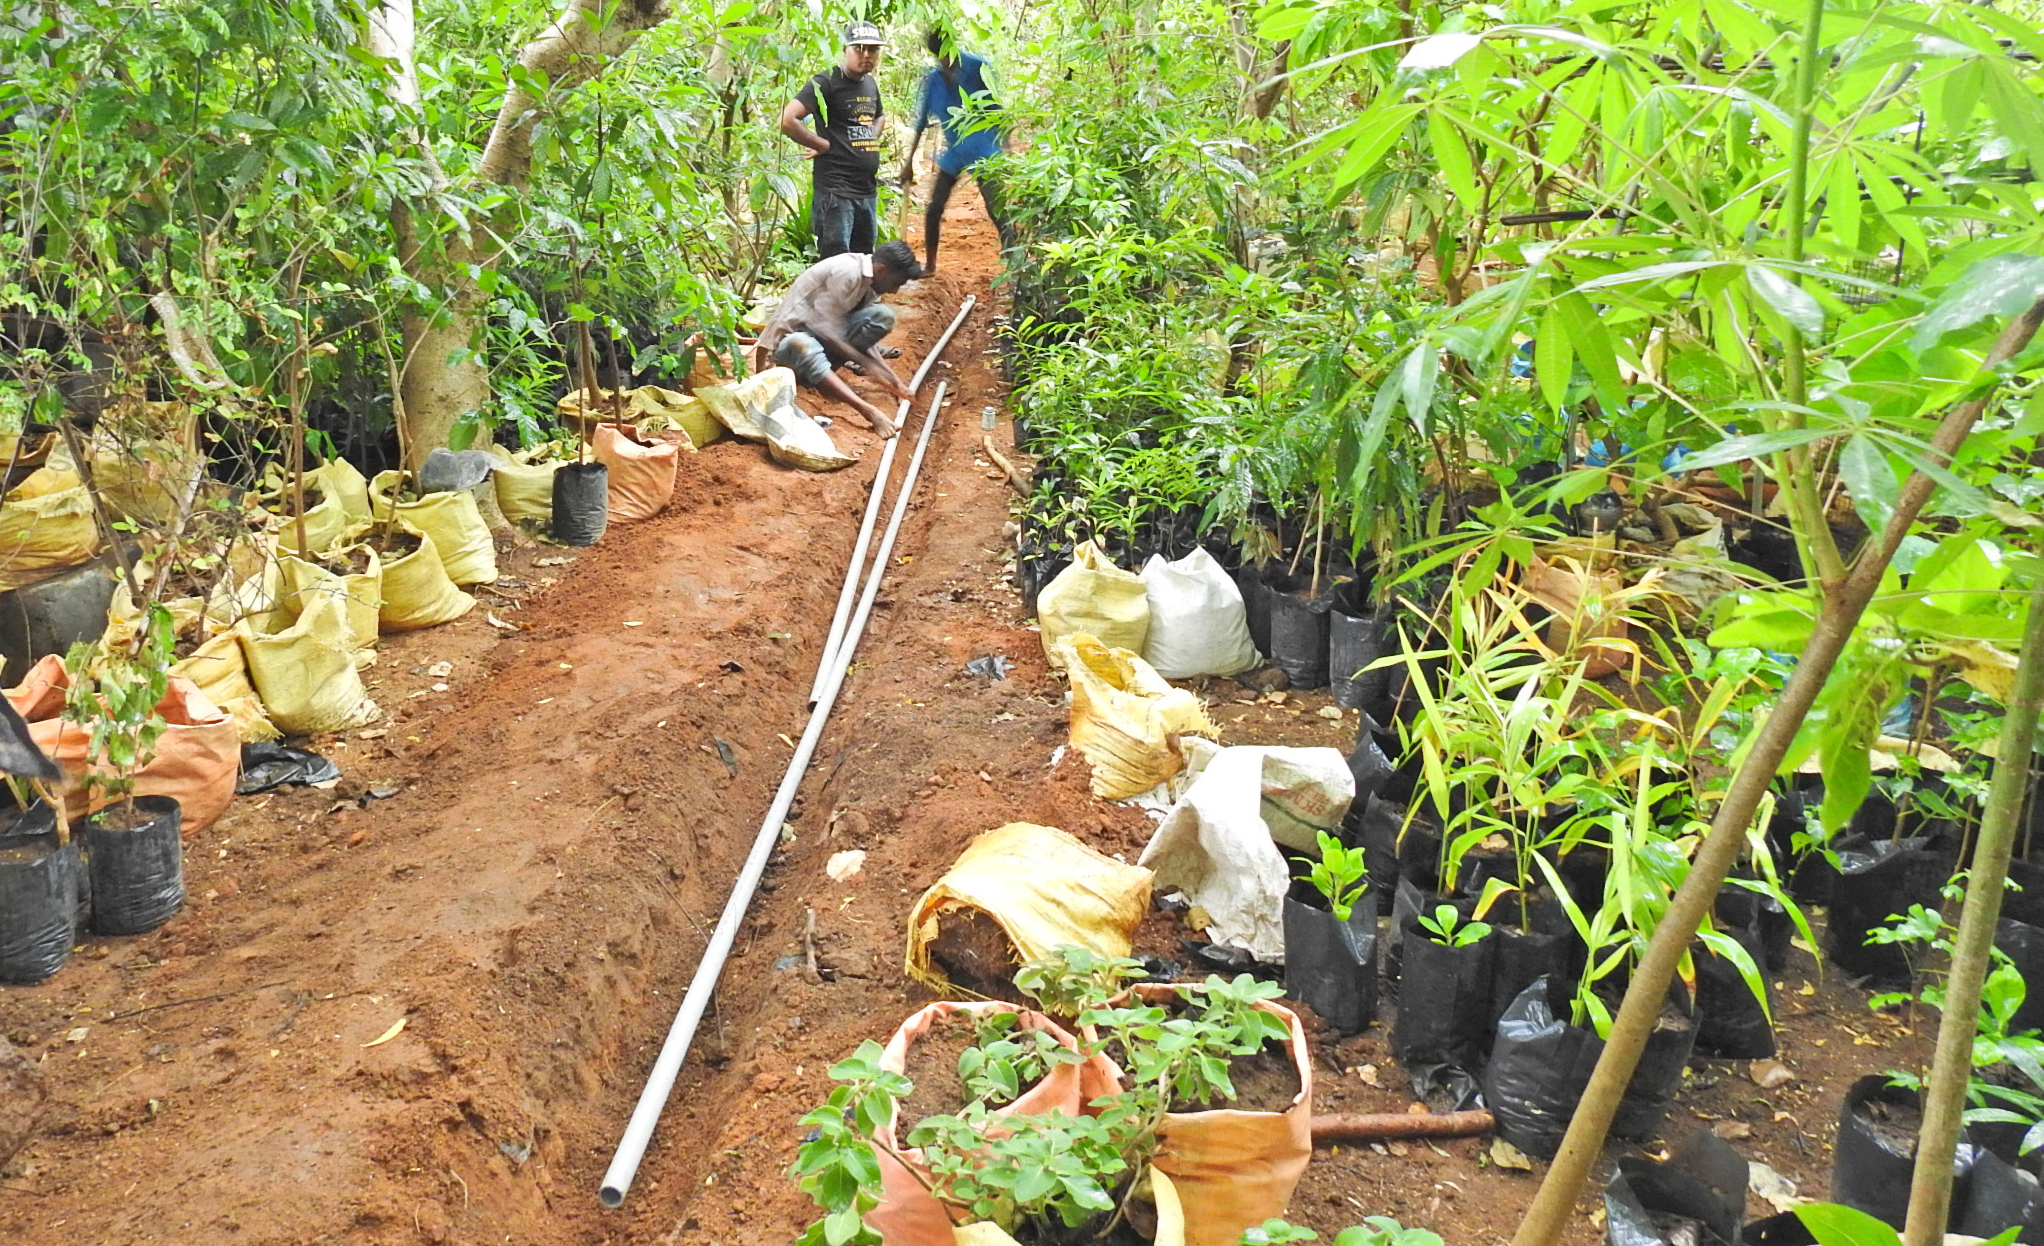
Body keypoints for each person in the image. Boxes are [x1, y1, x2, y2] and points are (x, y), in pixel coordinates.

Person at [754, 240, 924, 438]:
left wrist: (895, 382)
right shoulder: (847, 273)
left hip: (822, 339)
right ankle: (868, 411)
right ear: (881, 270)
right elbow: (822, 328)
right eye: (895, 283)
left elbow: (851, 333)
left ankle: (824, 375)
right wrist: (864, 362)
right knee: (801, 344)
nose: (894, 291)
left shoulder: (868, 282)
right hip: (791, 346)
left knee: (883, 315)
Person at [898, 25, 1009, 275]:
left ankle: (1013, 259)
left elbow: (998, 111)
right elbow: (920, 124)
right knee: (934, 208)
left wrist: (1006, 146)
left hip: (984, 147)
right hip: (956, 151)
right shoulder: (934, 80)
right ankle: (931, 265)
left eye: (948, 55)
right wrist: (908, 164)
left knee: (996, 207)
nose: (946, 62)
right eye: (941, 58)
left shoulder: (978, 67)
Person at [779, 22, 888, 259]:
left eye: (873, 49)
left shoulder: (869, 83)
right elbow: (788, 119)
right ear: (845, 49)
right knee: (835, 262)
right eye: (859, 48)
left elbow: (880, 116)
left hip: (866, 191)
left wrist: (870, 135)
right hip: (836, 193)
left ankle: (861, 299)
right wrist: (822, 144)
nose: (867, 55)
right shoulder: (826, 82)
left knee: (864, 261)